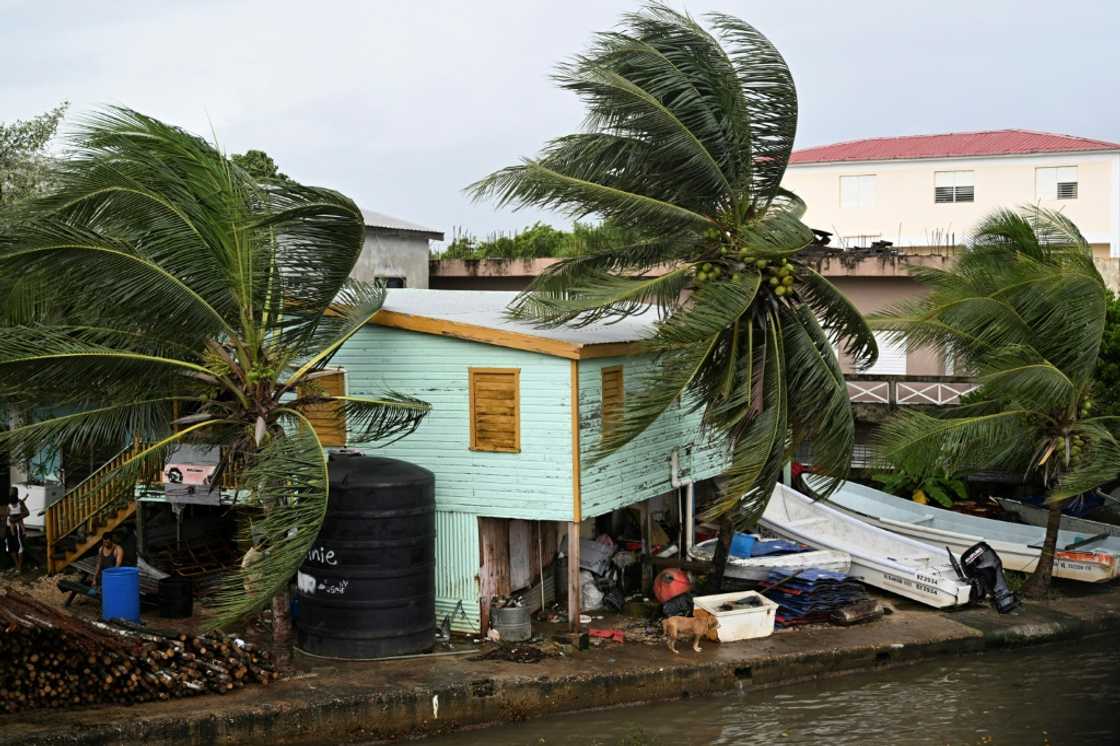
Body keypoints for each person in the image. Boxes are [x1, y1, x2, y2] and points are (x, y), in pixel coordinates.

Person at [5, 487, 29, 575]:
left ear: (16, 493)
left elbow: (27, 513)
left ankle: (19, 568)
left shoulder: (20, 502)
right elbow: (7, 514)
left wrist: (16, 519)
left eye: (11, 492)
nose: (10, 493)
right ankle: (17, 566)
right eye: (10, 492)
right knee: (11, 548)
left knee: (19, 547)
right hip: (8, 527)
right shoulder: (9, 502)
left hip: (17, 527)